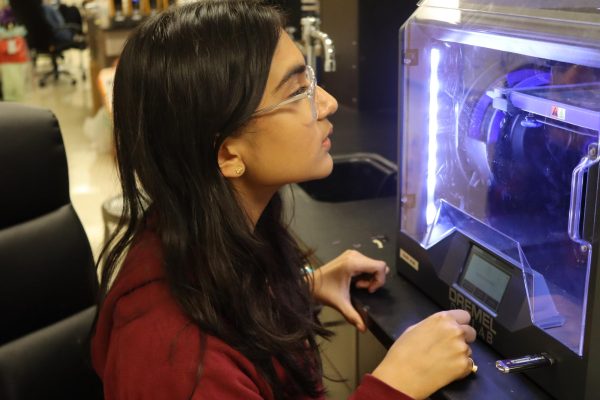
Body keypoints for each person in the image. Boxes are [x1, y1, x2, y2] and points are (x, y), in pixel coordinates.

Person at [91, 1, 477, 399]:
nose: (326, 103)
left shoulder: (203, 234)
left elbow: (225, 301)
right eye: (297, 92)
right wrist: (397, 382)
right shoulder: (179, 361)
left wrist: (299, 288)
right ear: (228, 155)